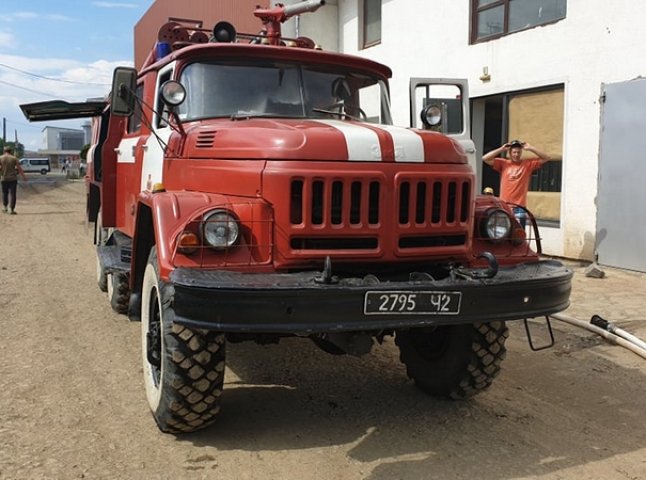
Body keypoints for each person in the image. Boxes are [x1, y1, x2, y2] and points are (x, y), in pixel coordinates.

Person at [482, 140, 552, 227]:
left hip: (519, 207)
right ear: (510, 153)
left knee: (519, 235)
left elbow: (547, 158)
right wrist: (501, 149)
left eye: (518, 152)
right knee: (502, 234)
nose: (516, 154)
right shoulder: (503, 163)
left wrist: (531, 148)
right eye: (514, 152)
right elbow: (485, 158)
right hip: (504, 205)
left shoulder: (527, 164)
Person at [0, 146, 27, 214]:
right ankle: (11, 210)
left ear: (4, 151)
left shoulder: (1, 158)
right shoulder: (14, 158)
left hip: (4, 178)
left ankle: (5, 208)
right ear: (10, 151)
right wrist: (24, 176)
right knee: (13, 194)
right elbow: (19, 168)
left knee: (4, 193)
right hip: (13, 179)